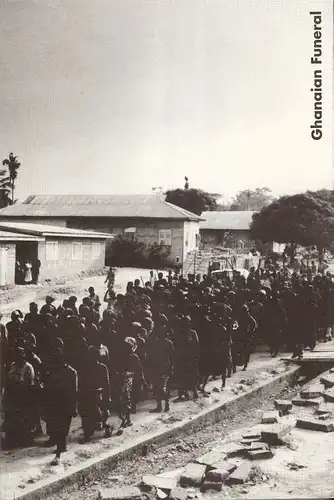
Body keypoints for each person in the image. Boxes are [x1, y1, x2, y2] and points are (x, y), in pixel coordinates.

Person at [43, 348, 78, 465]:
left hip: (65, 402)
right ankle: (61, 445)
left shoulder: (71, 372)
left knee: (63, 426)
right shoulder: (54, 371)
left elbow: (74, 390)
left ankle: (61, 446)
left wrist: (74, 406)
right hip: (57, 403)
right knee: (59, 425)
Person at [2, 347, 35, 449]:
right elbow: (6, 382)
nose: (19, 358)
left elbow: (31, 385)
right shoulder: (11, 366)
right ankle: (12, 441)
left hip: (23, 397)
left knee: (23, 420)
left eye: (21, 355)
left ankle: (25, 440)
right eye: (16, 355)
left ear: (24, 355)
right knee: (11, 419)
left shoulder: (28, 367)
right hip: (13, 397)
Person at [78, 346, 111, 442]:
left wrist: (107, 398)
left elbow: (106, 385)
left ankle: (107, 427)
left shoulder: (102, 368)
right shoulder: (85, 368)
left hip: (98, 394)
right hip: (87, 394)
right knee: (86, 414)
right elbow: (82, 383)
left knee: (100, 415)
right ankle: (88, 432)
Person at [147, 314, 174, 413]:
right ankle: (165, 405)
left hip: (158, 364)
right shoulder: (167, 340)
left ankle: (161, 405)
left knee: (159, 386)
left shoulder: (154, 336)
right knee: (162, 386)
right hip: (163, 365)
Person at [118, 337, 147, 428]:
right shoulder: (132, 357)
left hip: (127, 381)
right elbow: (140, 370)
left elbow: (139, 370)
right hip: (126, 381)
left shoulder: (130, 357)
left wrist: (143, 381)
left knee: (126, 400)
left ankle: (126, 419)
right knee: (126, 401)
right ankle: (126, 419)